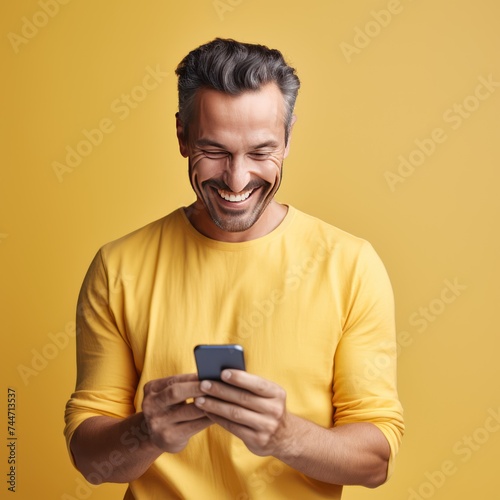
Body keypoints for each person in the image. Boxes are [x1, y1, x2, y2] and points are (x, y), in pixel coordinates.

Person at [64, 38, 404, 499]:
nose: (237, 179)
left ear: (288, 138)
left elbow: (374, 463)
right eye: (215, 151)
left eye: (261, 152)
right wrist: (147, 432)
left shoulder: (350, 265)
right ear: (182, 136)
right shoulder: (118, 266)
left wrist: (285, 435)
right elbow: (91, 461)